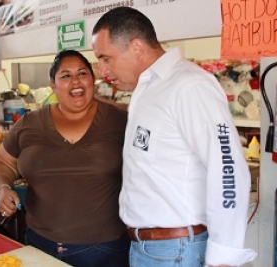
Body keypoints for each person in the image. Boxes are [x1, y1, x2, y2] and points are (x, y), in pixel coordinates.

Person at [91, 6, 257, 267]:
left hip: (178, 251)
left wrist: (223, 257)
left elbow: (228, 169)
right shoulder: (147, 88)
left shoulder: (189, 86)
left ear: (136, 48)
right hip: (149, 248)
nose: (102, 70)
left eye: (106, 58)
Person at [0, 49, 130, 267]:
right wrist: (2, 189)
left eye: (82, 74)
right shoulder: (29, 123)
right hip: (40, 246)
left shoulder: (120, 120)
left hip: (105, 252)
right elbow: (2, 162)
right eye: (65, 76)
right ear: (53, 85)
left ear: (93, 79)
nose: (76, 82)